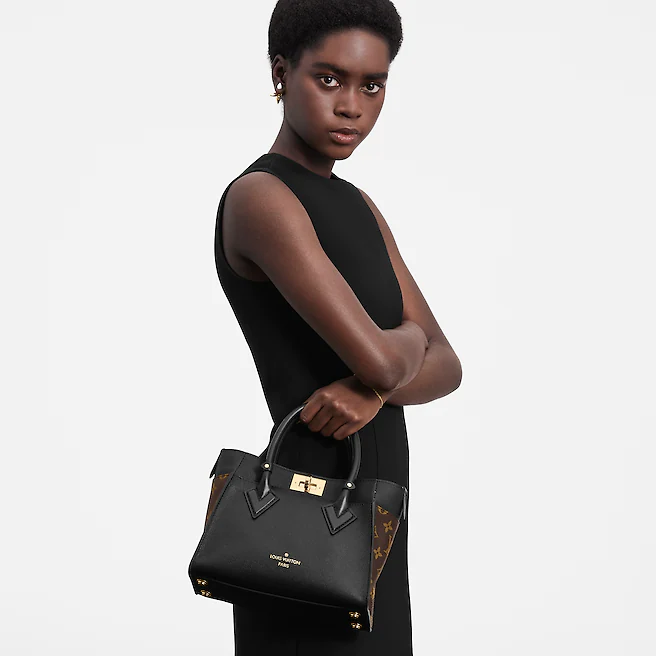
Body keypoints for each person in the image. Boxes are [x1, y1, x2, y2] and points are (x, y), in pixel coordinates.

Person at [213, 0, 462, 653]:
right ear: (281, 73)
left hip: (377, 508)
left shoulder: (359, 205)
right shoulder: (262, 198)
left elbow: (448, 366)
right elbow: (393, 359)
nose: (351, 106)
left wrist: (375, 385)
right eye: (329, 79)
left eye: (372, 85)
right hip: (303, 508)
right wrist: (403, 348)